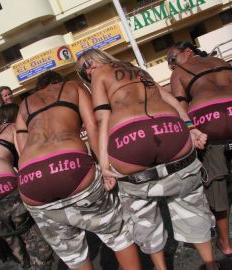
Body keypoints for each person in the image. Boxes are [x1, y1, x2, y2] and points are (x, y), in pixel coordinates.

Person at [76, 48, 217, 270]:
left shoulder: (99, 76)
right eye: (84, 70)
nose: (88, 70)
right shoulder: (138, 70)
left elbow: (103, 120)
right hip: (171, 131)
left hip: (131, 140)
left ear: (100, 61)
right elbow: (168, 98)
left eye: (88, 64)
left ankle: (162, 269)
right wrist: (191, 127)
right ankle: (211, 265)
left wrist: (104, 166)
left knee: (144, 217)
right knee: (193, 207)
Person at [16, 70, 142, 270]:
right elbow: (92, 126)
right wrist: (104, 165)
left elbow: (21, 147)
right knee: (117, 234)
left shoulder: (25, 104)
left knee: (73, 254)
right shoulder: (73, 87)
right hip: (69, 163)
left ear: (39, 89)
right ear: (60, 82)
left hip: (31, 178)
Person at [0, 103, 54, 270]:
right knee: (36, 244)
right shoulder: (14, 128)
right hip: (2, 188)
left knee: (16, 248)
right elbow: (26, 161)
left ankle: (25, 266)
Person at [167, 41, 232, 257]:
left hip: (209, 120)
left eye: (172, 59)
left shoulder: (180, 71)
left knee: (217, 185)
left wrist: (189, 134)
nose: (170, 65)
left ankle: (225, 243)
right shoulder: (220, 61)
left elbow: (181, 108)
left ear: (188, 52)